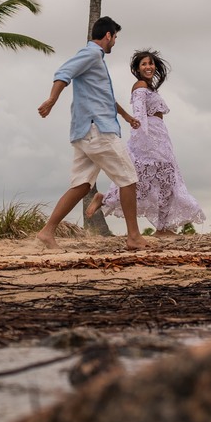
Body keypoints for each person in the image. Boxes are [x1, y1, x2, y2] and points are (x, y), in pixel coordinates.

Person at [36, 16, 149, 250]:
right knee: (128, 178)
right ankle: (134, 237)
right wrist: (52, 99)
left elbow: (104, 97)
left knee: (82, 184)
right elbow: (63, 72)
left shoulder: (96, 60)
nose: (115, 42)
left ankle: (47, 232)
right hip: (98, 130)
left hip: (85, 131)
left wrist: (127, 117)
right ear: (108, 35)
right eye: (115, 37)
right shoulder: (92, 54)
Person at [87, 49, 206, 236]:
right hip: (148, 139)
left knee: (162, 181)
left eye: (150, 63)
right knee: (148, 180)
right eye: (144, 64)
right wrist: (142, 139)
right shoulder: (140, 86)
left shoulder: (150, 87)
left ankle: (162, 226)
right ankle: (108, 200)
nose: (148, 67)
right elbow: (140, 113)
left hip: (159, 136)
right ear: (137, 68)